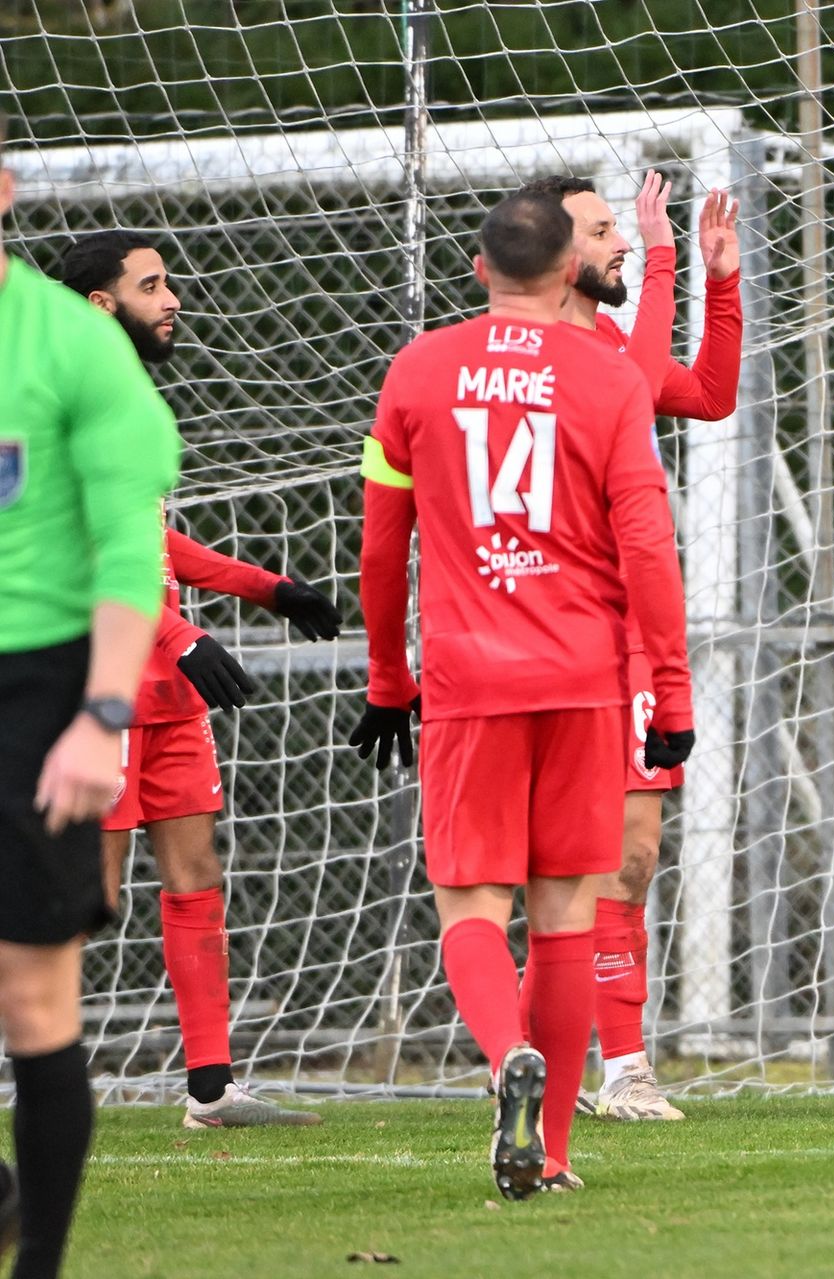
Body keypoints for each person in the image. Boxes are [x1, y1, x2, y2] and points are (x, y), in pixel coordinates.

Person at [351, 190, 690, 1197]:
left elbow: (382, 547)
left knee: (470, 903)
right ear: (570, 271)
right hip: (587, 678)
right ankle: (555, 1149)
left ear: (478, 268)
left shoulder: (417, 370)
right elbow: (648, 546)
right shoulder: (610, 377)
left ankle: (508, 1057)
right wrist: (671, 691)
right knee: (567, 914)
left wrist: (388, 677)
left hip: (469, 678)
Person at [58, 230, 341, 1130]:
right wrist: (181, 636)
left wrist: (269, 588)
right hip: (98, 689)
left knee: (196, 876)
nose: (172, 298)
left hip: (169, 699)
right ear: (102, 304)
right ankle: (43, 1070)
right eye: (151, 285)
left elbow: (151, 540)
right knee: (86, 898)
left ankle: (211, 1087)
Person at [0, 108, 183, 1278]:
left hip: (41, 685)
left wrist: (103, 713)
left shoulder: (71, 345)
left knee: (31, 996)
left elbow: (130, 547)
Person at [516, 171, 741, 1121]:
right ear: (554, 251)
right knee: (571, 866)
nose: (619, 240)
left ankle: (609, 1064)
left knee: (632, 855)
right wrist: (664, 258)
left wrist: (720, 283)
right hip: (550, 628)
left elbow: (711, 394)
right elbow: (639, 385)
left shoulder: (608, 337)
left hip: (631, 632)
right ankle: (562, 1055)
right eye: (603, 228)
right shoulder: (539, 345)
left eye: (622, 226)